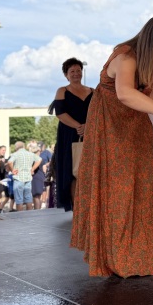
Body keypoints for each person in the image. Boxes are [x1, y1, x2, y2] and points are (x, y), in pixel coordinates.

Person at [70, 15, 153, 277]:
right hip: (110, 128)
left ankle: (147, 251)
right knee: (119, 190)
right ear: (151, 41)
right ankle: (120, 255)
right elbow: (125, 93)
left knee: (147, 184)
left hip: (137, 125)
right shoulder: (126, 56)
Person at [50, 58, 93, 212]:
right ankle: (77, 210)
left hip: (91, 134)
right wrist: (79, 127)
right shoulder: (62, 91)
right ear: (66, 75)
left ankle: (90, 209)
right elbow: (60, 113)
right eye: (72, 71)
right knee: (73, 172)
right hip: (69, 135)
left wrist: (88, 127)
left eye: (78, 70)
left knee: (90, 173)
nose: (76, 73)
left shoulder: (93, 91)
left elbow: (98, 113)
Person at [6, 141, 41, 212]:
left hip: (18, 178)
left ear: (16, 147)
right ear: (23, 146)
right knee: (28, 198)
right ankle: (29, 215)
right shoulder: (30, 154)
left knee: (19, 199)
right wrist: (33, 169)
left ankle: (20, 215)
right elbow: (39, 159)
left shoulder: (15, 154)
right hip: (28, 178)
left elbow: (9, 162)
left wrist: (12, 170)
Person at [31, 145, 48, 210]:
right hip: (41, 177)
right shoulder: (41, 159)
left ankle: (37, 210)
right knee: (38, 196)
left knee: (36, 196)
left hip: (35, 177)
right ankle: (38, 210)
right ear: (37, 151)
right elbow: (44, 169)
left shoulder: (33, 159)